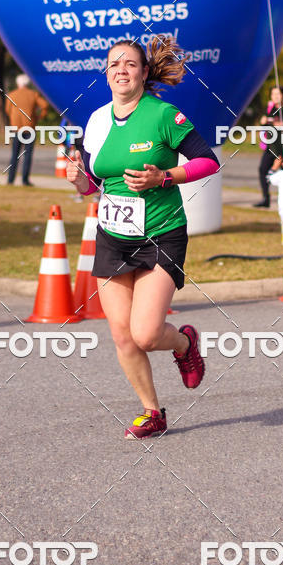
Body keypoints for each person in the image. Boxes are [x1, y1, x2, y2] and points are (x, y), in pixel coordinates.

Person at [66, 35, 220, 440]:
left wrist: (164, 176)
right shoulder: (97, 120)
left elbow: (209, 161)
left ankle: (184, 344)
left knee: (147, 333)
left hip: (160, 234)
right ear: (106, 72)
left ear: (144, 71)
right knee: (121, 333)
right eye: (113, 63)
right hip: (113, 236)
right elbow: (94, 184)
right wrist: (78, 179)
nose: (121, 69)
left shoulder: (163, 115)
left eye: (130, 63)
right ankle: (152, 412)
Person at [4, 74, 49, 186]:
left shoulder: (12, 95)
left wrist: (13, 119)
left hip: (16, 129)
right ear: (27, 83)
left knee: (14, 155)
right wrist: (39, 117)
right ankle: (25, 180)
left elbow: (7, 110)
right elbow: (44, 105)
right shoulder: (33, 94)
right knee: (27, 155)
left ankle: (10, 180)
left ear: (18, 83)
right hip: (29, 128)